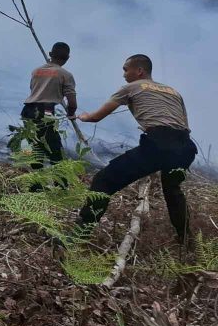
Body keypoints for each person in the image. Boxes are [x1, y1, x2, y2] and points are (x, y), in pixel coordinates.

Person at [76, 54, 196, 244]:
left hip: (158, 144)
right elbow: (184, 125)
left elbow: (96, 117)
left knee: (103, 181)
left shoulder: (131, 88)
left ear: (139, 71)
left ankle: (78, 235)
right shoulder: (174, 92)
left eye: (126, 69)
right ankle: (186, 240)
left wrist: (82, 116)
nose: (123, 74)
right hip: (186, 147)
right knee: (173, 191)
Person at [20, 42, 76, 171]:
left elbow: (33, 90)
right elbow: (72, 102)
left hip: (27, 110)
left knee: (35, 146)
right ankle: (60, 181)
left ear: (50, 54)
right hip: (46, 111)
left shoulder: (36, 71)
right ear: (67, 58)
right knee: (55, 150)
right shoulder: (66, 75)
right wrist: (71, 114)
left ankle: (35, 179)